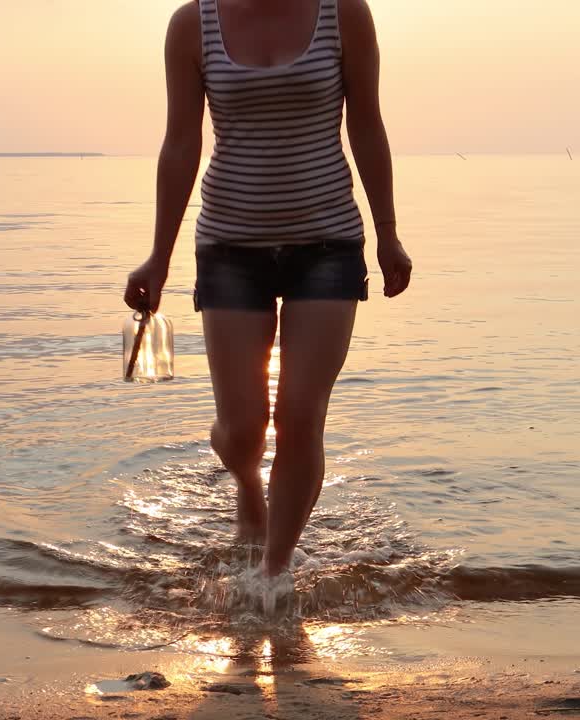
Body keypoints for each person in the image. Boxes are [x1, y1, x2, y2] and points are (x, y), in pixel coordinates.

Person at [123, 0, 412, 578]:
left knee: (301, 415)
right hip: (230, 248)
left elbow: (367, 125)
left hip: (327, 244)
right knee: (242, 428)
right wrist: (159, 256)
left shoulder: (343, 13)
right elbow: (181, 143)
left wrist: (387, 234)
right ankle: (248, 489)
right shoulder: (192, 24)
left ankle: (274, 575)